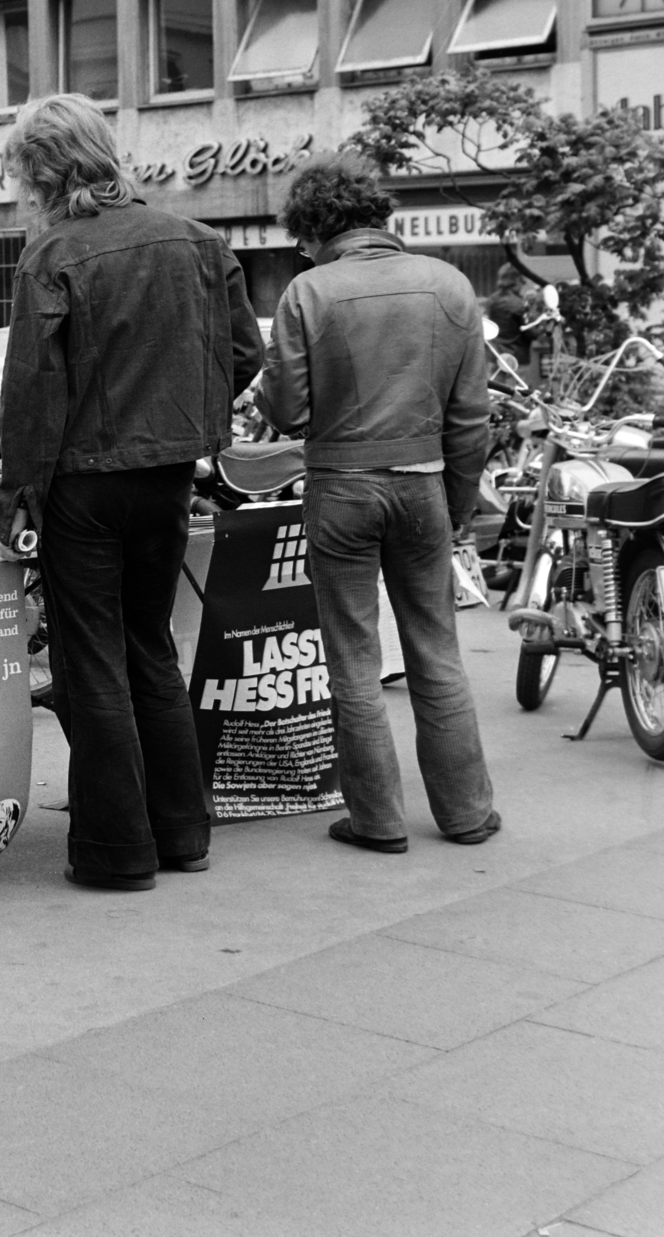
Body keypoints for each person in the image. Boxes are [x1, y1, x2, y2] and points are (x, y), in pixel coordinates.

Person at [0, 93, 263, 892]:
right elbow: (245, 355)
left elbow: (32, 395)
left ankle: (117, 849)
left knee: (93, 659)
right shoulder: (199, 242)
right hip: (168, 476)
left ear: (43, 171)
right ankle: (182, 831)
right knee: (151, 644)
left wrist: (18, 496)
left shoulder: (51, 255)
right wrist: (190, 424)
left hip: (83, 483)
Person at [255, 151, 498, 854]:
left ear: (313, 228)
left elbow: (287, 410)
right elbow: (472, 421)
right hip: (424, 485)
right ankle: (466, 813)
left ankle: (377, 820)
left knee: (353, 661)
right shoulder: (450, 285)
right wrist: (456, 506)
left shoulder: (308, 292)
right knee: (437, 652)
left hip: (340, 488)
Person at [485, 263, 532, 367]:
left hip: (495, 358)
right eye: (521, 282)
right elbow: (530, 333)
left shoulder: (491, 300)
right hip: (516, 361)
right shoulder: (519, 304)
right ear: (516, 280)